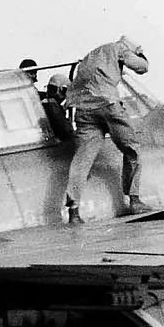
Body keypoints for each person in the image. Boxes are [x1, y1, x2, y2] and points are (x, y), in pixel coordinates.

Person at [63, 35, 151, 222]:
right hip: (108, 105)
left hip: (83, 110)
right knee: (131, 149)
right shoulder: (120, 49)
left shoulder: (90, 55)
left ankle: (74, 212)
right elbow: (142, 68)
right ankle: (135, 201)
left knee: (81, 161)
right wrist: (141, 55)